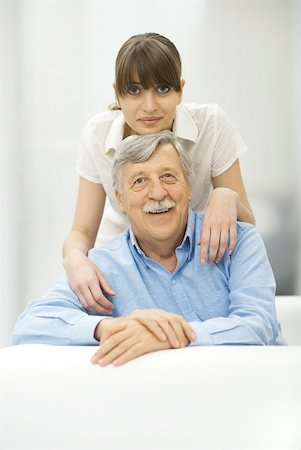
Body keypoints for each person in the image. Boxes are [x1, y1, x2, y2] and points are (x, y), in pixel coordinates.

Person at [13, 132, 282, 366]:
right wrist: (108, 328)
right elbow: (31, 325)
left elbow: (259, 325)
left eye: (168, 176)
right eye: (140, 181)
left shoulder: (239, 240)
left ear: (188, 189)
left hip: (251, 393)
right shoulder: (103, 266)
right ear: (120, 200)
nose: (157, 192)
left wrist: (165, 335)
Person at [63, 32, 255, 314]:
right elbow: (81, 231)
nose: (150, 106)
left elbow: (248, 229)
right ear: (117, 93)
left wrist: (228, 197)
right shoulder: (97, 134)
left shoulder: (211, 124)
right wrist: (75, 260)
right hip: (126, 266)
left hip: (198, 261)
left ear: (181, 90)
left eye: (163, 89)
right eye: (135, 91)